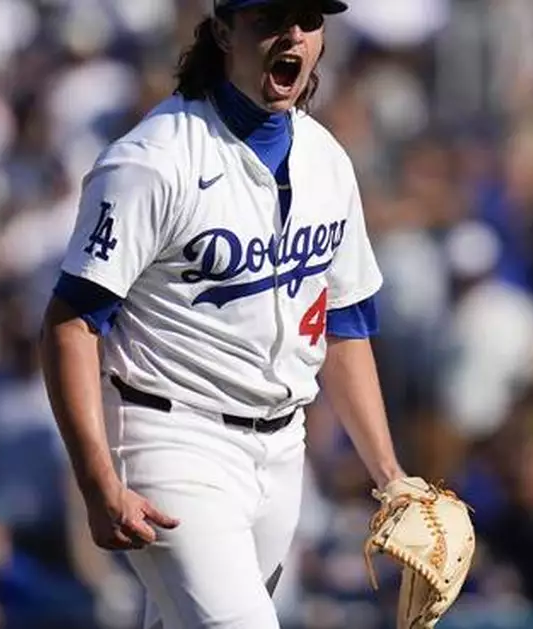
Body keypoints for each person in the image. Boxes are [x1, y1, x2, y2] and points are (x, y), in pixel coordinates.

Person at [38, 1, 410, 627]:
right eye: (271, 16)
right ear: (221, 32)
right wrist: (96, 480)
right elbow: (70, 324)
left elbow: (343, 326)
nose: (294, 32)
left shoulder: (327, 160)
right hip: (171, 438)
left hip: (282, 449)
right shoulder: (152, 161)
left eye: (310, 18)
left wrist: (390, 475)